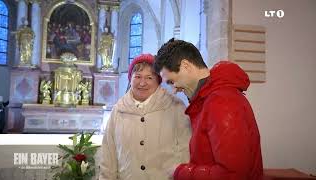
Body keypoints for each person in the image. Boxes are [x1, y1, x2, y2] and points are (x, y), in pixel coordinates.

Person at [154, 38, 263, 180]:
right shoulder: (208, 99)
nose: (174, 90)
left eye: (172, 81)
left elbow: (232, 175)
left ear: (185, 66)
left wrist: (180, 172)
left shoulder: (222, 102)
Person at [99, 54, 191, 180]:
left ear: (158, 80)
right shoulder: (118, 110)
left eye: (149, 77)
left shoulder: (175, 107)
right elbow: (108, 155)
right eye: (137, 77)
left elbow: (186, 150)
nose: (142, 83)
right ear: (130, 79)